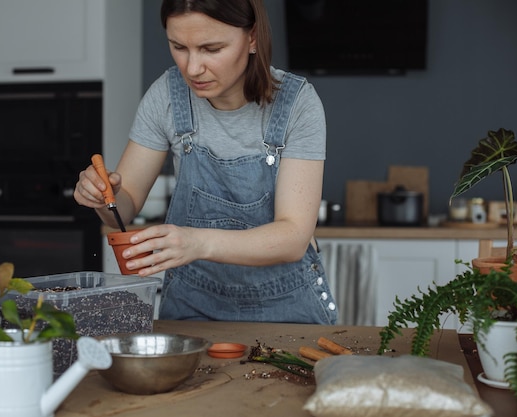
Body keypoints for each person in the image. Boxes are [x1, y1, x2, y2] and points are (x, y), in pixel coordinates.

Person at [74, 0, 337, 324]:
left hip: (288, 308)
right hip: (191, 306)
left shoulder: (297, 103)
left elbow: (293, 238)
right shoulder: (167, 96)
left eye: (211, 48)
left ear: (252, 37)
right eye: (178, 47)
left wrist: (197, 242)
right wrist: (102, 198)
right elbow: (122, 212)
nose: (193, 67)